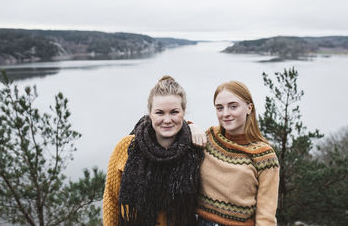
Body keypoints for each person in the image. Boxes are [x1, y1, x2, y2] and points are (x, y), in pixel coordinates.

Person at [103, 75, 204, 226]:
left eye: (174, 112)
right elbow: (111, 198)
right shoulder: (127, 147)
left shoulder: (194, 149)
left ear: (184, 112)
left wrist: (192, 126)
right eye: (160, 113)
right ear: (150, 114)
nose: (167, 119)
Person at [196, 81, 280, 226]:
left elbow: (266, 214)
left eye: (233, 106)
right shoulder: (209, 137)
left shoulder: (264, 156)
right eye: (219, 108)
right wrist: (191, 127)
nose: (225, 113)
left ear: (249, 108)